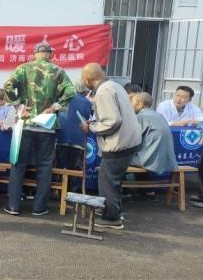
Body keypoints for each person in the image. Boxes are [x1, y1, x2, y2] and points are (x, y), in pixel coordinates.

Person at [3, 41, 75, 216]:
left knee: (18, 165)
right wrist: (55, 106)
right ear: (50, 54)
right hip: (47, 125)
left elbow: (7, 86)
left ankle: (13, 206)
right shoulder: (58, 71)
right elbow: (71, 92)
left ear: (34, 54)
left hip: (25, 124)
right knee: (44, 166)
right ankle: (39, 208)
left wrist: (18, 105)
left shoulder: (23, 68)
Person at [81, 63, 141, 230]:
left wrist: (91, 127)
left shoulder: (103, 91)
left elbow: (112, 121)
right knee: (114, 180)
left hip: (118, 142)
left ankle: (111, 218)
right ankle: (114, 211)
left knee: (107, 180)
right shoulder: (114, 85)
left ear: (87, 79)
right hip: (129, 139)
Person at [130, 92, 178, 194]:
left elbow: (131, 139)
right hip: (167, 161)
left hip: (150, 160)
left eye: (132, 102)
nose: (130, 105)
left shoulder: (140, 117)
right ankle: (147, 191)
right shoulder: (159, 115)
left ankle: (123, 191)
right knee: (139, 153)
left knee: (119, 159)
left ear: (139, 104)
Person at [55, 79, 92, 192]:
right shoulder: (88, 103)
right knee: (74, 169)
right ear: (85, 90)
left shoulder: (64, 98)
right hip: (78, 140)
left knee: (59, 167)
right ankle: (70, 193)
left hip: (61, 137)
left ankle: (58, 191)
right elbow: (86, 120)